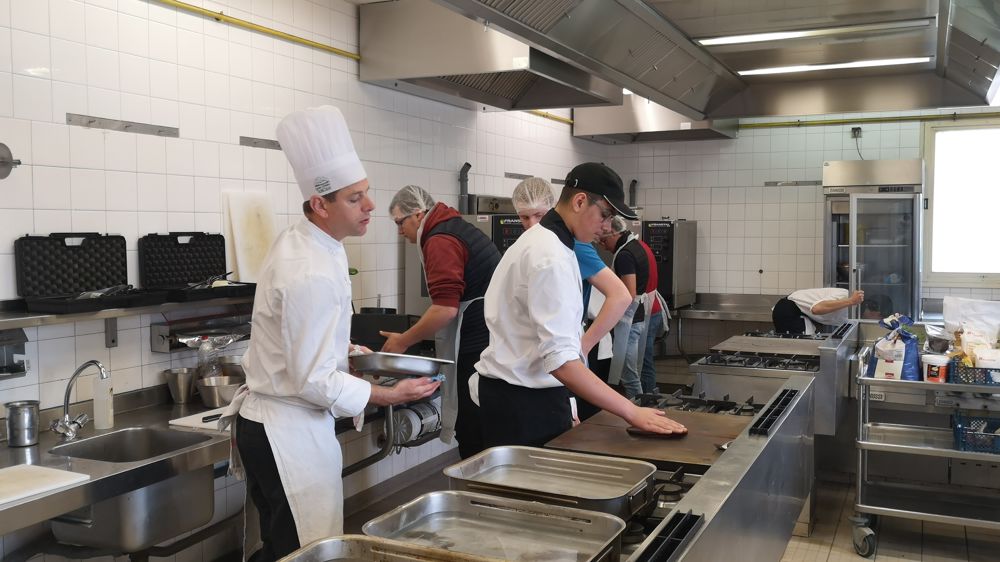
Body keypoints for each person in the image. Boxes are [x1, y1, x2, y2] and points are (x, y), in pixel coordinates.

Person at [230, 106, 440, 562]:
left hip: (274, 425)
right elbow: (313, 380)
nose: (369, 207)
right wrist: (390, 394)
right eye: (354, 198)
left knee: (283, 548)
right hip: (287, 432)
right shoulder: (310, 269)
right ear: (320, 204)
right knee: (303, 552)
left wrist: (343, 349)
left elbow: (300, 335)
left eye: (367, 194)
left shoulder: (309, 242)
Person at [473, 162, 687, 449]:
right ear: (580, 201)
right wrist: (631, 412)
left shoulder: (550, 244)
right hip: (523, 404)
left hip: (523, 395)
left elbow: (550, 348)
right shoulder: (550, 257)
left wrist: (567, 404)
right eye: (605, 215)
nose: (607, 227)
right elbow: (561, 362)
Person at [381, 185, 500, 459]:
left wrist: (402, 340)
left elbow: (445, 310)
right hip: (489, 334)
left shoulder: (439, 240)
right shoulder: (452, 226)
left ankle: (475, 487)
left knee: (471, 424)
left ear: (419, 214)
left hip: (476, 339)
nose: (400, 231)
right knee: (480, 421)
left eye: (400, 223)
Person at [511, 177, 630, 420]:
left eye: (539, 215)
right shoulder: (539, 247)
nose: (533, 224)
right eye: (525, 217)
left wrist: (582, 347)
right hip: (544, 367)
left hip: (568, 353)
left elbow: (620, 296)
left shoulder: (570, 245)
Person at [598, 216, 666, 399]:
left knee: (629, 374)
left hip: (631, 320)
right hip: (640, 315)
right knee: (636, 367)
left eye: (603, 240)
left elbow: (629, 293)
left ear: (613, 234)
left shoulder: (625, 255)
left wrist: (607, 316)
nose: (603, 246)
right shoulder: (637, 245)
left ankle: (641, 408)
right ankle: (645, 404)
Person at [772, 287, 865, 334]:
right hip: (788, 309)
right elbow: (817, 309)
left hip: (800, 313)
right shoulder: (845, 295)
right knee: (800, 349)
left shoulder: (852, 318)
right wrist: (851, 301)